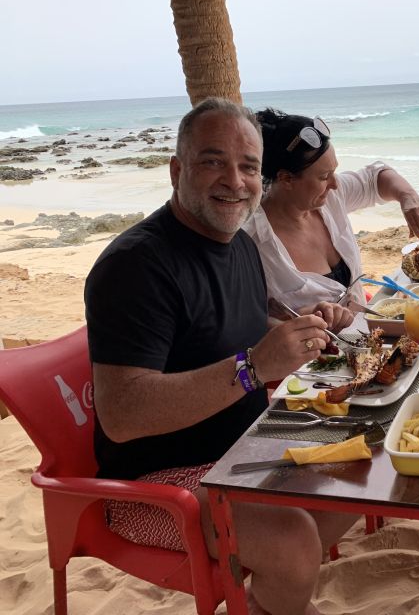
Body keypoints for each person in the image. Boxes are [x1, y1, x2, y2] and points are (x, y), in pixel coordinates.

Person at [85, 97, 355, 615]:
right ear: (176, 170)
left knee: (357, 473)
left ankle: (267, 603)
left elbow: (252, 328)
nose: (235, 180)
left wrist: (301, 330)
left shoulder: (239, 245)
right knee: (293, 538)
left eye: (248, 166)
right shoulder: (135, 267)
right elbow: (121, 415)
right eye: (213, 161)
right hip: (155, 483)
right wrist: (253, 368)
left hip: (245, 446)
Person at [243, 108, 419, 316]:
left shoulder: (329, 198)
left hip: (368, 335)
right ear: (286, 179)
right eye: (324, 177)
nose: (334, 184)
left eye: (334, 171)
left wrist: (407, 195)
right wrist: (301, 316)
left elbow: (376, 178)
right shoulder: (251, 243)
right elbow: (248, 319)